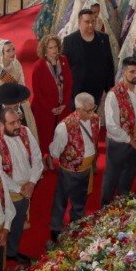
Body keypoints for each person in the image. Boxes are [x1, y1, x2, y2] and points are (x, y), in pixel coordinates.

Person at [0, 106, 42, 263]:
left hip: (27, 188)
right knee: (4, 226)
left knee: (17, 224)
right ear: (1, 124)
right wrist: (20, 189)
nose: (17, 126)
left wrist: (32, 182)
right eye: (12, 123)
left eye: (18, 121)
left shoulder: (25, 132)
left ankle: (12, 252)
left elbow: (37, 156)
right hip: (7, 193)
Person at [45, 92, 100, 244]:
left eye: (93, 109)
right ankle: (55, 227)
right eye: (88, 111)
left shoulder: (96, 119)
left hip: (86, 168)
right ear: (78, 109)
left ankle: (77, 223)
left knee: (80, 198)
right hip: (68, 171)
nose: (92, 113)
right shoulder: (65, 126)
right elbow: (55, 151)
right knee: (61, 199)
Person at [101, 57, 136, 205]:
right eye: (132, 72)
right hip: (119, 142)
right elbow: (111, 125)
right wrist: (130, 140)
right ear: (123, 72)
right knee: (112, 176)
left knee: (129, 173)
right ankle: (105, 208)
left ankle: (122, 203)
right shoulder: (113, 94)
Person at [61, 7, 116, 106]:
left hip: (97, 89)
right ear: (79, 23)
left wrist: (110, 88)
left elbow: (109, 64)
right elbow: (64, 68)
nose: (91, 25)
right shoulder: (69, 41)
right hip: (77, 91)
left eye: (93, 21)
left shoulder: (103, 39)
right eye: (87, 22)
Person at [29, 34, 73, 156]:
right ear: (45, 49)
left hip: (62, 107)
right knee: (46, 135)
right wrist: (50, 108)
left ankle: (58, 155)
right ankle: (46, 157)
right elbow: (37, 92)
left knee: (62, 134)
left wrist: (64, 104)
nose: (54, 50)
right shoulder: (38, 66)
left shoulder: (63, 60)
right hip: (44, 109)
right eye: (50, 48)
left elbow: (69, 84)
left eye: (55, 47)